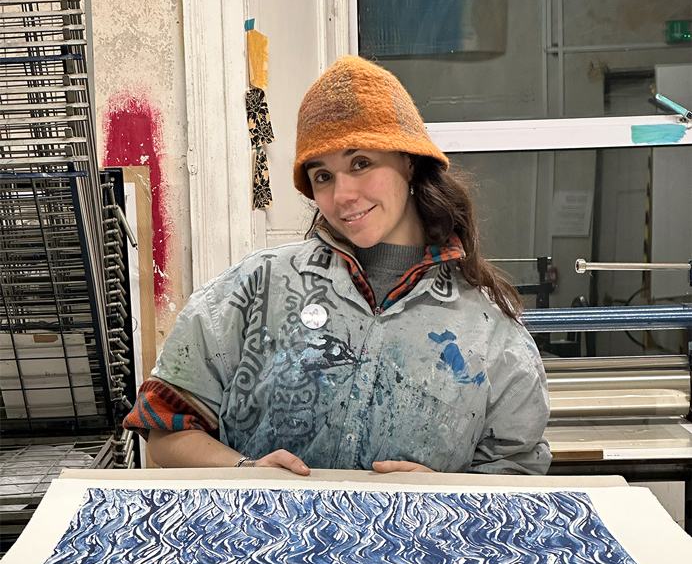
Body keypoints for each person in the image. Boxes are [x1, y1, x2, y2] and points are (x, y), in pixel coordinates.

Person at [123, 56, 551, 476]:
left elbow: (518, 474)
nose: (342, 194)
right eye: (322, 176)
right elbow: (164, 427)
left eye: (361, 163)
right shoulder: (255, 289)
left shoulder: (489, 329)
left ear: (409, 160)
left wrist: (440, 496)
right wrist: (247, 470)